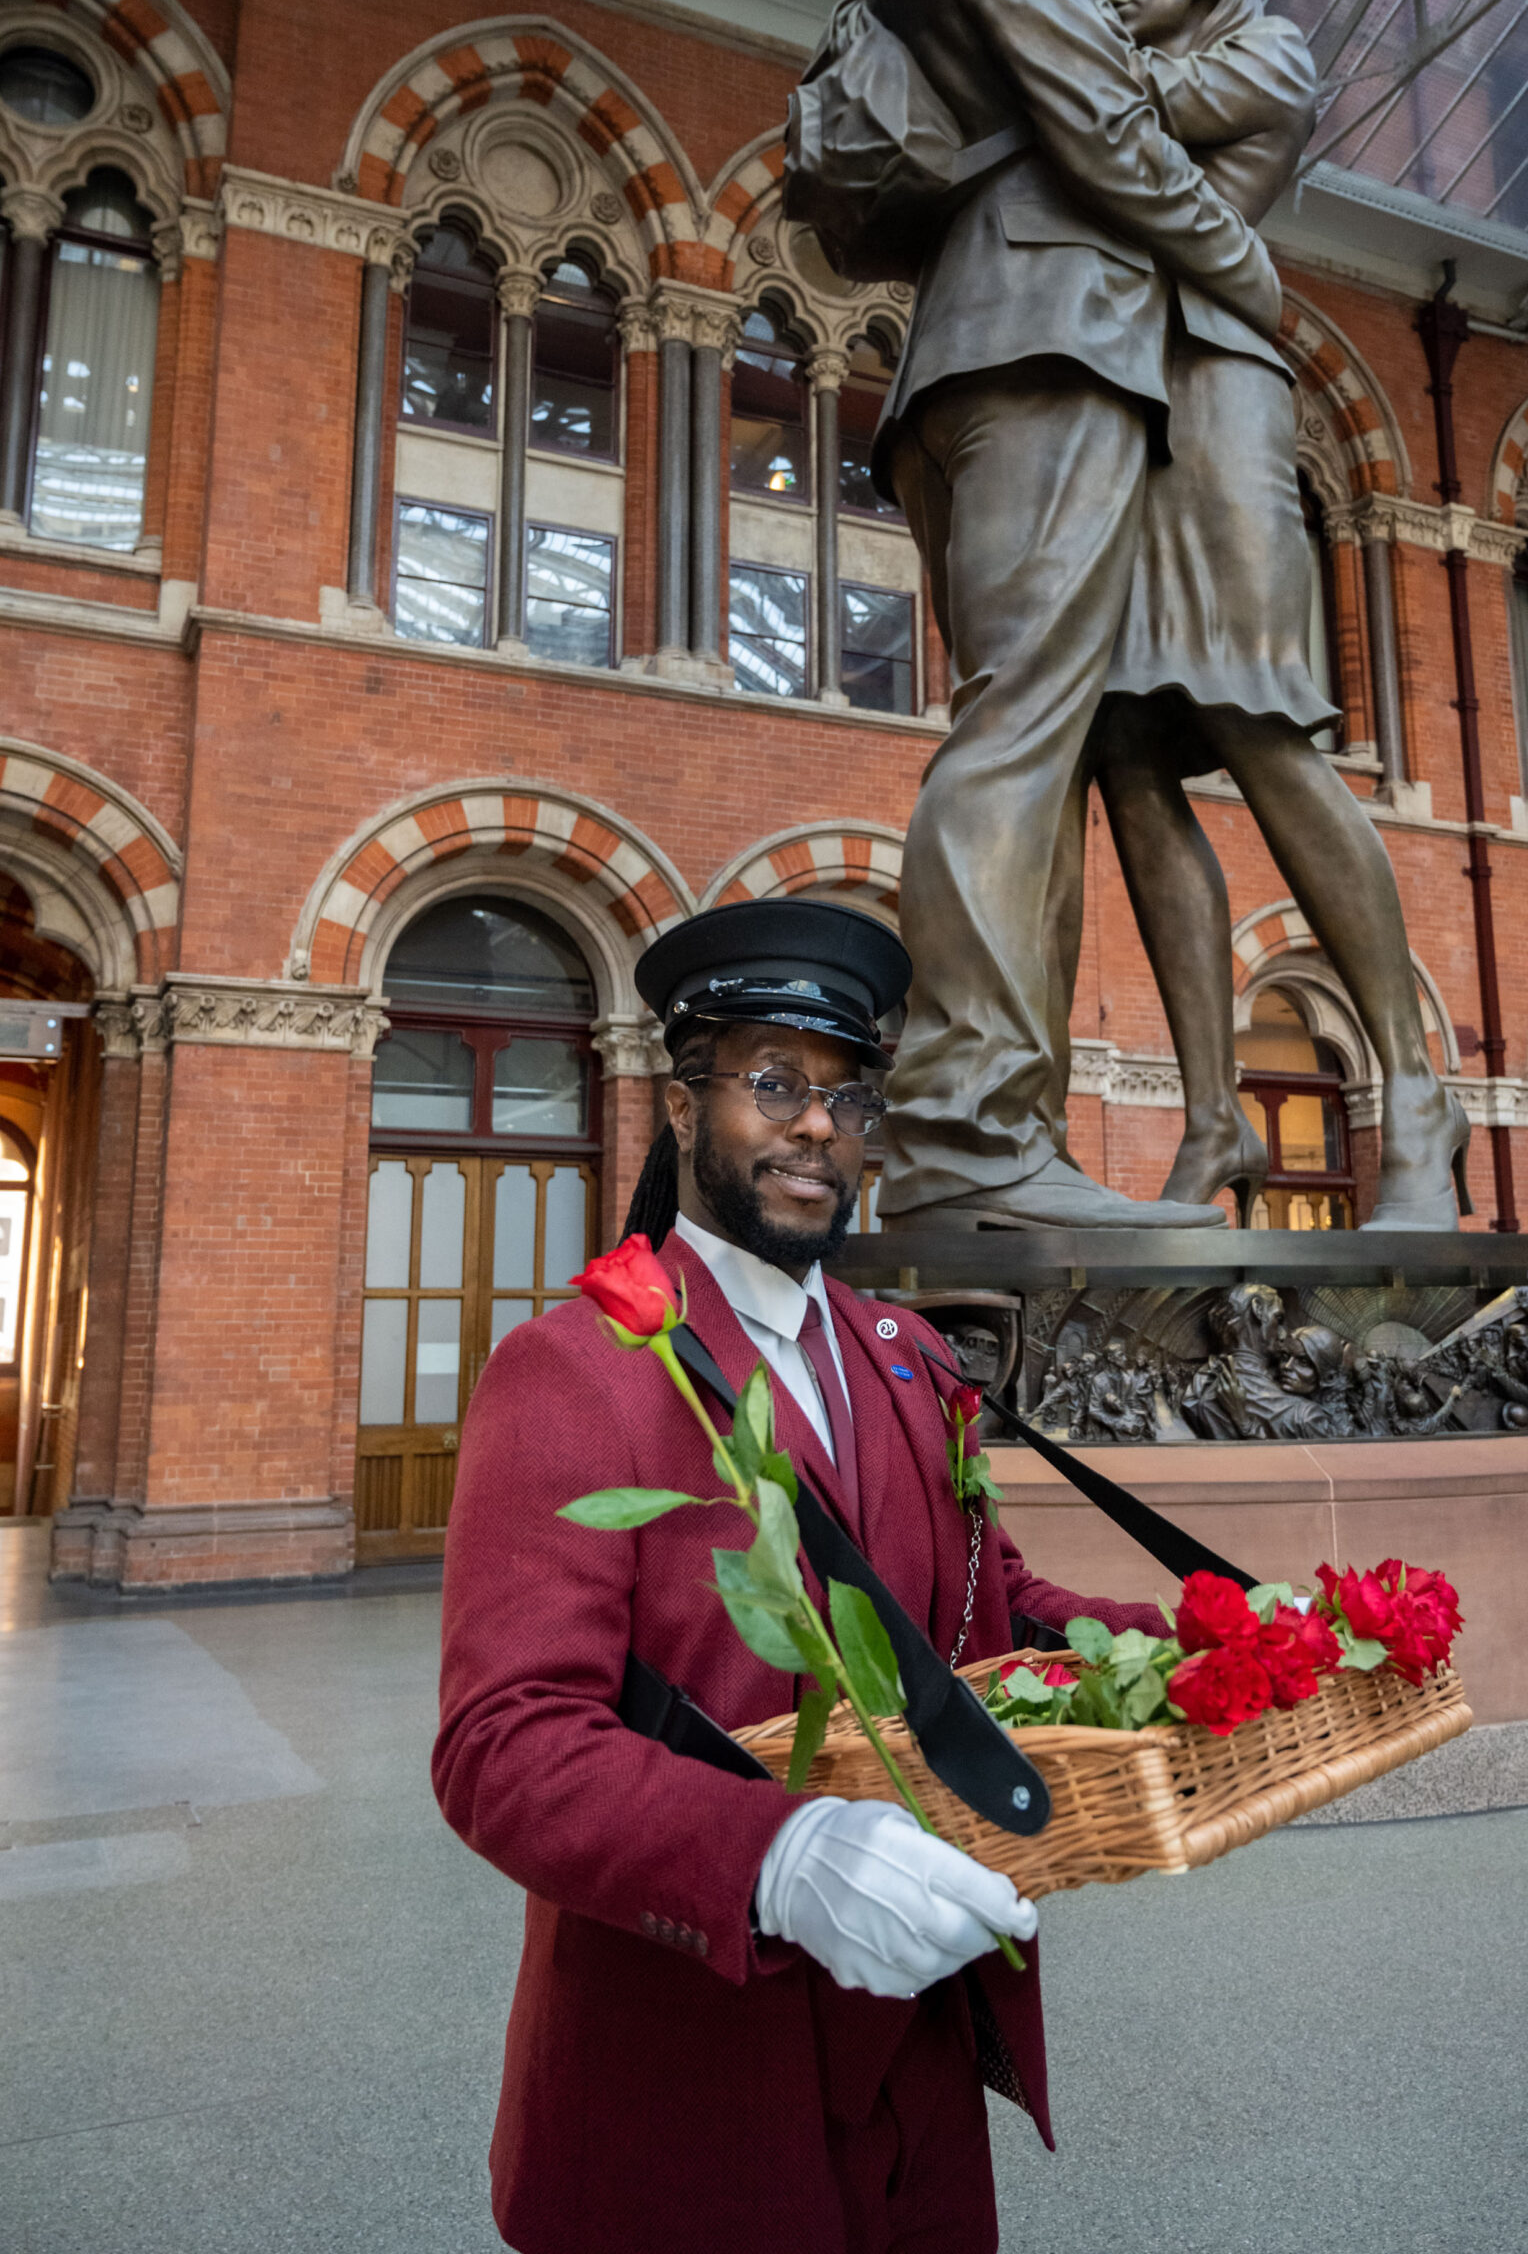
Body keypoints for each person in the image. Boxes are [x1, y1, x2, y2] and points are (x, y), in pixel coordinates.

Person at [434, 897, 1177, 2254]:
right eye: (774, 1082)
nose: (819, 1129)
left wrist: (1200, 1651)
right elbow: (505, 1747)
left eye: (848, 1096)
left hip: (924, 2065)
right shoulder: (574, 1372)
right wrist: (776, 1857)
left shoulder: (910, 1354)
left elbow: (993, 1610)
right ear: (681, 1102)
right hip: (692, 2087)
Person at [859, 0, 1285, 1230]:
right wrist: (1244, 270)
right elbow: (1102, 123)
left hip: (976, 357)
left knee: (1027, 741)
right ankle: (971, 1136)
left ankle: (1003, 1138)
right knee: (1022, 732)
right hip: (1041, 345)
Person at [1083, 0, 1470, 1229]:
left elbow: (1112, 121)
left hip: (1219, 399)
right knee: (1123, 751)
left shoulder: (1270, 53)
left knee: (1258, 723)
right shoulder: (1125, 48)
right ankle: (1210, 1118)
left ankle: (1417, 1091)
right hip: (1113, 401)